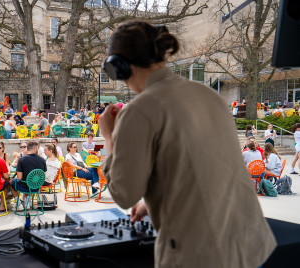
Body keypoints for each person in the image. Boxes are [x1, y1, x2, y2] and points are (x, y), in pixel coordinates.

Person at [98, 20, 275, 267]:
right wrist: (150, 203)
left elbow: (123, 194)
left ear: (118, 67)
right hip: (248, 241)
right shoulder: (208, 96)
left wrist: (109, 136)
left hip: (200, 253)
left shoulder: (139, 110)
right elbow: (199, 167)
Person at [11, 141, 47, 209]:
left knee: (12, 182)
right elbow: (43, 176)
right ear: (34, 149)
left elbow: (19, 177)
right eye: (37, 149)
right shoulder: (42, 160)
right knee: (28, 182)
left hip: (25, 187)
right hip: (37, 187)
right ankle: (27, 202)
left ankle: (19, 204)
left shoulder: (21, 160)